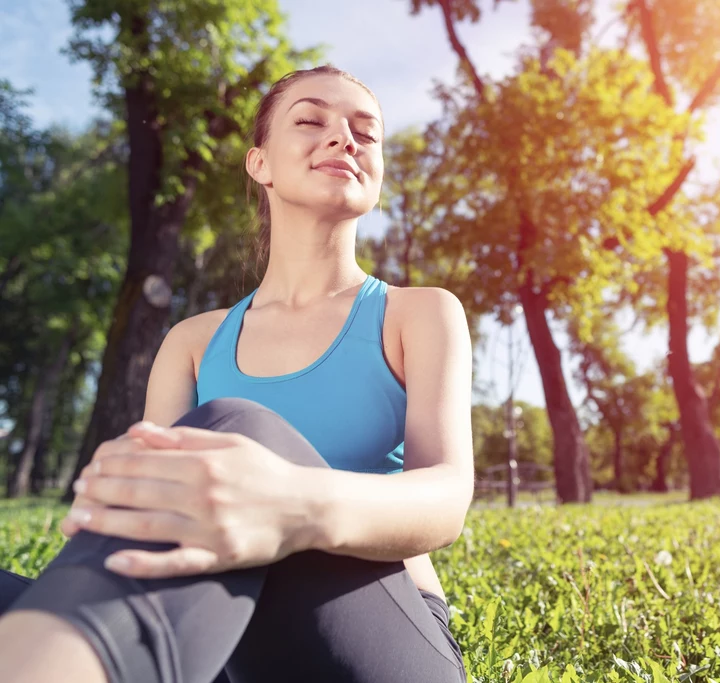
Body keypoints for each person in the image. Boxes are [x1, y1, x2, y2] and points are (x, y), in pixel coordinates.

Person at [0, 65, 474, 683]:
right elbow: (149, 513)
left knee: (235, 428)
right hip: (210, 640)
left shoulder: (420, 313)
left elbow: (445, 498)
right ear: (260, 164)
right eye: (310, 121)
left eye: (366, 131)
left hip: (376, 641)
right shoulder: (193, 342)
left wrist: (289, 504)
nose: (344, 139)